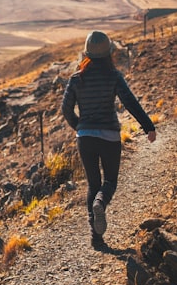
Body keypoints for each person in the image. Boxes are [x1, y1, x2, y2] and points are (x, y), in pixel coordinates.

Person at [60, 30, 157, 250]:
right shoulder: (114, 76)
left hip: (85, 139)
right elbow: (130, 103)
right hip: (109, 137)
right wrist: (148, 126)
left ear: (87, 54)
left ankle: (96, 238)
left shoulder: (76, 79)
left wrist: (80, 127)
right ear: (109, 53)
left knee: (93, 184)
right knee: (109, 182)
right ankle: (100, 204)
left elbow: (65, 109)